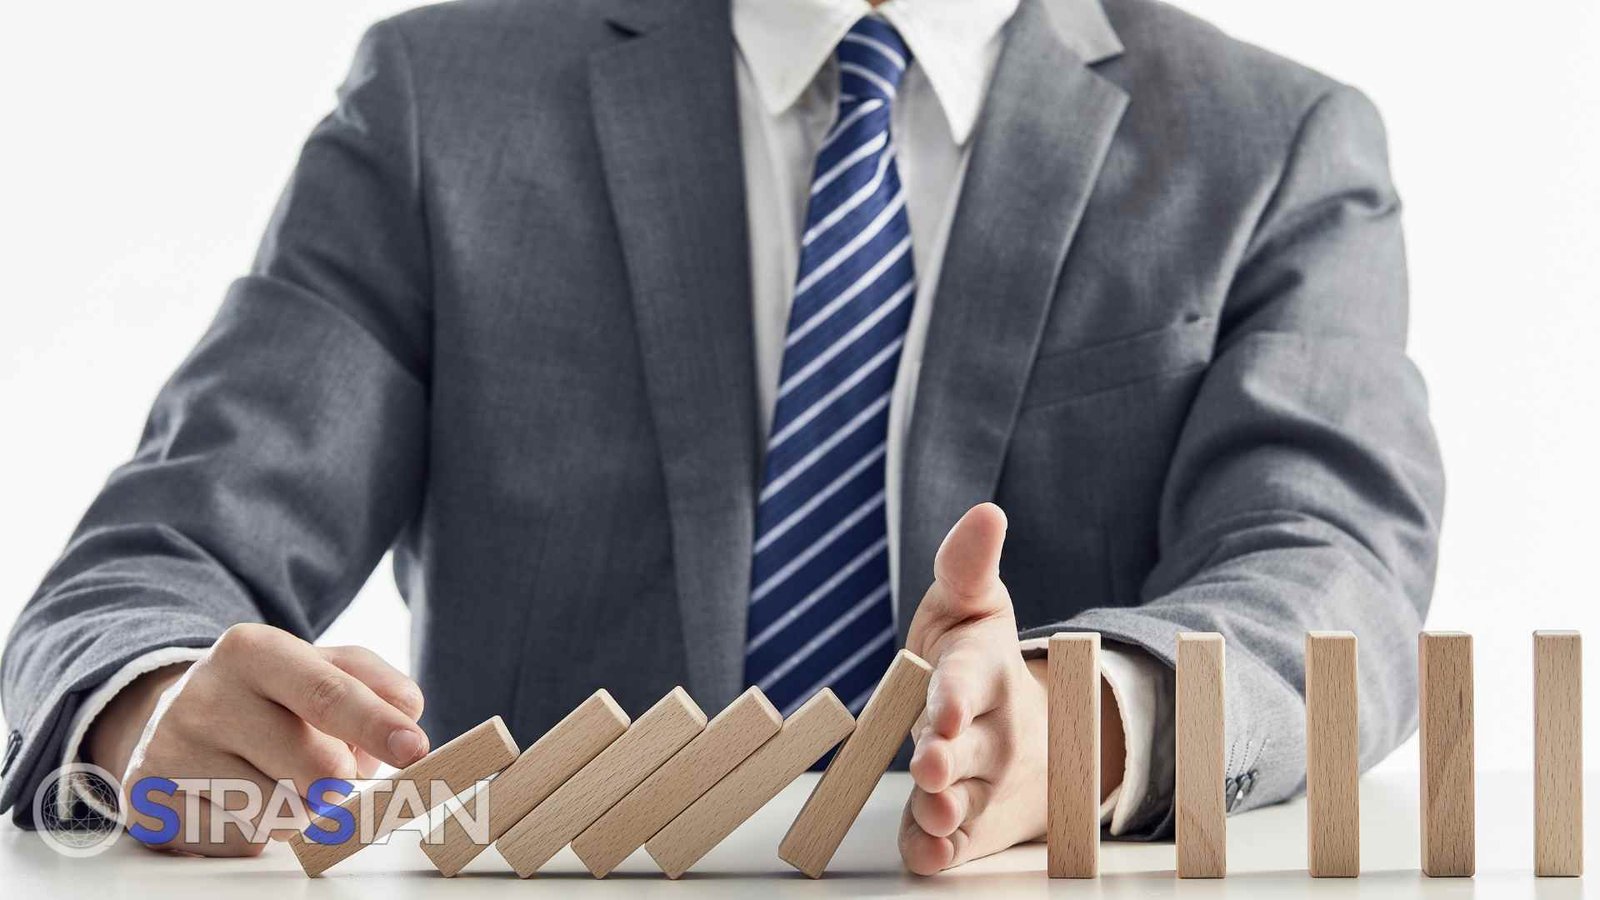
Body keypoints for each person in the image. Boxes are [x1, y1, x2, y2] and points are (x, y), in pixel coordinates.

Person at [0, 0, 1443, 873]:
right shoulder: (443, 105)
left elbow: (1333, 574)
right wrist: (151, 710)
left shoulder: (1278, 147)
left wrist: (1106, 720)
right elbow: (146, 572)